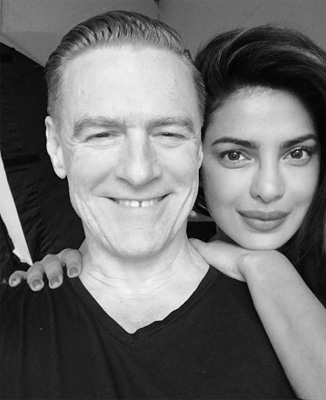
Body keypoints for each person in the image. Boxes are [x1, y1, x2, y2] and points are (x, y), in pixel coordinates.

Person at [15, 24, 326, 400]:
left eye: (297, 153)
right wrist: (77, 266)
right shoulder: (192, 258)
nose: (268, 189)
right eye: (235, 155)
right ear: (197, 156)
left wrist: (266, 268)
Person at [0, 12, 298, 399]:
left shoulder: (299, 322)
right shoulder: (10, 328)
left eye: (169, 133)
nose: (139, 172)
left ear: (198, 147)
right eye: (102, 134)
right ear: (56, 148)